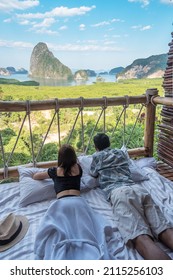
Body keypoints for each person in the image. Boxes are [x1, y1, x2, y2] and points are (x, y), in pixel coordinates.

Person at [90, 133, 173, 260]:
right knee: (164, 229)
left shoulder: (97, 156)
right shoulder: (121, 153)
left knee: (141, 237)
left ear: (96, 147)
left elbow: (93, 173)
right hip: (138, 189)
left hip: (119, 192)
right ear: (109, 143)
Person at [33, 144, 110, 260]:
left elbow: (36, 176)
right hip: (79, 203)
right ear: (74, 157)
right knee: (84, 230)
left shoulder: (55, 171)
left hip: (61, 204)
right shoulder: (78, 168)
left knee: (61, 231)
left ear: (60, 158)